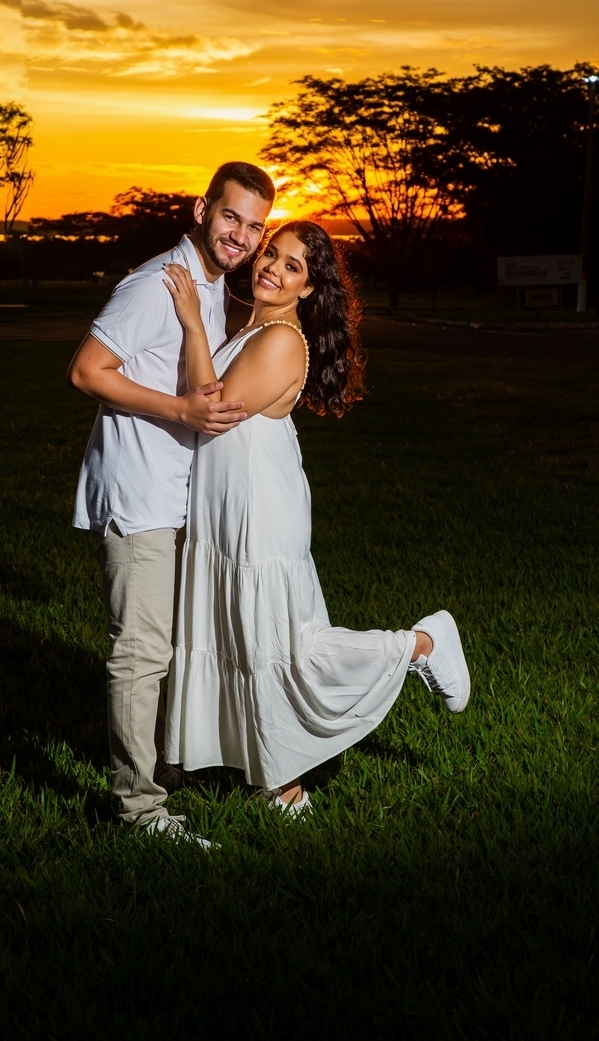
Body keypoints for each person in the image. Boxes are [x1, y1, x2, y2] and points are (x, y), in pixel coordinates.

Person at [163, 221, 470, 812]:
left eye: (292, 266)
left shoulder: (282, 339)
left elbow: (214, 408)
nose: (272, 268)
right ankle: (277, 782)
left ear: (307, 288)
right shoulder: (253, 327)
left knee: (281, 644)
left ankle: (423, 644)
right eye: (271, 254)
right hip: (227, 503)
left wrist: (193, 324)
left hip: (259, 507)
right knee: (242, 634)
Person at [67, 162, 275, 842]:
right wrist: (180, 409)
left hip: (178, 493)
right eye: (230, 216)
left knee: (171, 646)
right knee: (140, 654)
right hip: (140, 494)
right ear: (201, 209)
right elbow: (86, 370)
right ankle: (139, 809)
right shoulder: (156, 283)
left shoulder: (208, 287)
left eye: (254, 226)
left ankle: (164, 765)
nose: (241, 235)